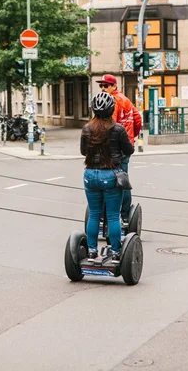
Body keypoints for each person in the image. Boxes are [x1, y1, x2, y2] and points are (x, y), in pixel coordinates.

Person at [81, 92, 135, 263]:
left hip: (90, 174)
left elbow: (83, 152)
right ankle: (117, 254)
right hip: (111, 174)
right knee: (113, 215)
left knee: (95, 214)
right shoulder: (118, 129)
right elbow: (129, 150)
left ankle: (91, 252)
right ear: (112, 109)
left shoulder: (87, 128)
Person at [96, 74, 142, 223]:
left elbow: (109, 125)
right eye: (101, 86)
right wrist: (131, 136)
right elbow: (138, 119)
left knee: (107, 180)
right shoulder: (126, 100)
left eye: (106, 85)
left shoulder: (112, 102)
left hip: (113, 147)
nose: (103, 88)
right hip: (126, 145)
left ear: (114, 86)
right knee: (123, 179)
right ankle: (126, 215)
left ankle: (106, 216)